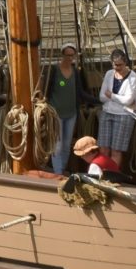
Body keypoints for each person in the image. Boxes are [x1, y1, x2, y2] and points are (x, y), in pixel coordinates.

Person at [42, 44, 88, 173]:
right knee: (58, 144)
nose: (69, 58)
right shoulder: (54, 70)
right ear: (62, 55)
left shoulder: (76, 72)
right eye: (67, 55)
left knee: (67, 145)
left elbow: (80, 92)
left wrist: (100, 100)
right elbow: (46, 90)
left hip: (71, 114)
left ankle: (61, 170)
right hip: (56, 114)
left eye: (71, 55)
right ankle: (58, 173)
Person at [98, 49, 136, 176]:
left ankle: (111, 176)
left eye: (120, 65)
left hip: (123, 116)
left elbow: (128, 100)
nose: (117, 68)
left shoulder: (133, 76)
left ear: (125, 63)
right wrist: (118, 98)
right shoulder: (109, 74)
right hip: (107, 112)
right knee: (103, 148)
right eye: (115, 65)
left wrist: (111, 95)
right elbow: (101, 97)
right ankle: (101, 174)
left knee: (116, 150)